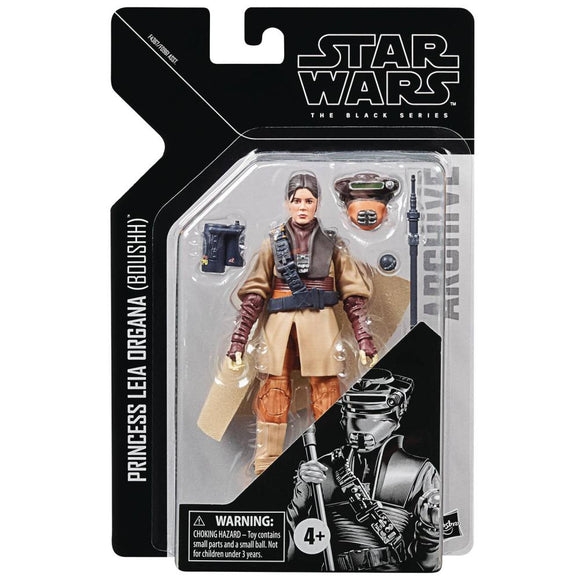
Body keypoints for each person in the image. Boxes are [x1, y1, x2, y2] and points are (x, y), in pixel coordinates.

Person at [226, 171, 378, 474]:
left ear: (318, 203)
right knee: (273, 392)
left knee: (326, 394)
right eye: (297, 200)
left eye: (308, 200)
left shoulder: (333, 245)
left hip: (321, 326)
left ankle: (333, 462)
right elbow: (254, 295)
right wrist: (238, 340)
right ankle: (266, 464)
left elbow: (353, 296)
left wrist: (363, 338)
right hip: (280, 328)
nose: (302, 206)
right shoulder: (272, 244)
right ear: (287, 203)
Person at [287, 372, 441, 571]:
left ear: (395, 420)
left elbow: (430, 564)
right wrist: (299, 500)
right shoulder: (320, 469)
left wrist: (431, 531)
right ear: (343, 419)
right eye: (355, 415)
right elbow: (289, 554)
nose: (360, 427)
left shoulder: (420, 472)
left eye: (373, 416)